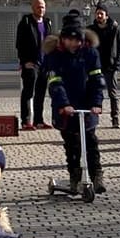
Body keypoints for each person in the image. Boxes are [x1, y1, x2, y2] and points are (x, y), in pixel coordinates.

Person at [43, 13, 107, 192]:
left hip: (86, 106)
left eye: (77, 40)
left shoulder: (90, 53)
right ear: (62, 39)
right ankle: (75, 175)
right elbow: (55, 82)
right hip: (66, 108)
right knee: (72, 144)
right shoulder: (55, 55)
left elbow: (97, 80)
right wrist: (64, 104)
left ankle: (96, 174)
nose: (73, 44)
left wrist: (96, 103)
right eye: (69, 40)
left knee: (91, 141)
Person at [16, 0, 51, 130]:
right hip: (31, 63)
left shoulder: (47, 23)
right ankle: (25, 121)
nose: (41, 9)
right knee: (28, 92)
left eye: (43, 7)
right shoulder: (25, 22)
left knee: (41, 93)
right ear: (33, 8)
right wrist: (24, 62)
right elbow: (19, 44)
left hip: (44, 64)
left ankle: (39, 120)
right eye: (38, 7)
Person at [88, 5, 120, 132]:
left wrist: (117, 63)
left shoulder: (114, 28)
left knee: (112, 93)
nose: (99, 16)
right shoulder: (91, 30)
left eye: (101, 14)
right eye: (97, 13)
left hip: (110, 65)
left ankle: (115, 117)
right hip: (96, 66)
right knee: (95, 93)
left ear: (106, 15)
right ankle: (93, 118)